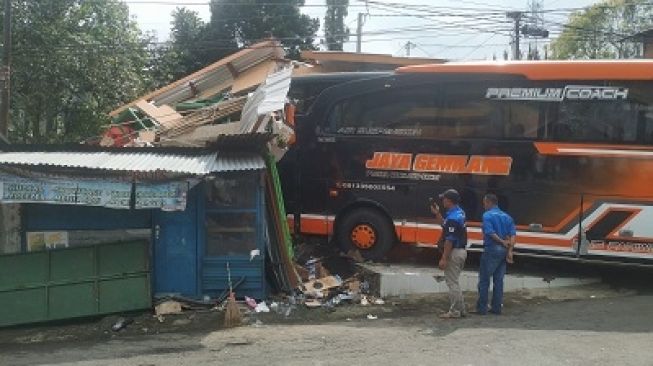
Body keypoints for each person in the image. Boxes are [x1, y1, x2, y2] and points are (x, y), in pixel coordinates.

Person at [476, 193, 516, 315]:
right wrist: (509, 250)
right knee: (499, 280)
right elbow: (513, 235)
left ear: (489, 202)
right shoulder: (507, 217)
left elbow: (490, 232)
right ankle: (496, 308)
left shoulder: (487, 215)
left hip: (492, 248)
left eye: (484, 203)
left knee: (484, 279)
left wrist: (501, 241)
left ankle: (482, 308)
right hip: (504, 251)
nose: (483, 205)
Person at [431, 189, 468, 319]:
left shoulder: (453, 217)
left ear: (449, 200)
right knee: (454, 282)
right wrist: (437, 214)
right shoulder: (459, 213)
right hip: (460, 251)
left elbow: (449, 240)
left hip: (454, 252)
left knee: (452, 282)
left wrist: (444, 258)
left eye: (444, 199)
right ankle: (461, 309)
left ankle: (455, 311)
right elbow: (445, 225)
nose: (442, 201)